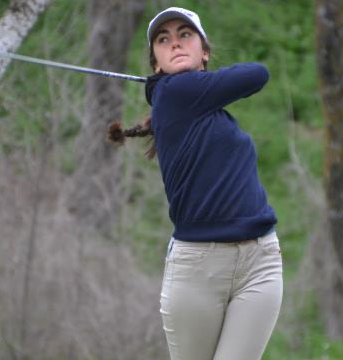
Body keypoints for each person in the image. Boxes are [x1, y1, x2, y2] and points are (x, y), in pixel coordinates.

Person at [108, 7, 283, 360]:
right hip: (199, 270)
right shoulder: (174, 93)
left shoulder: (200, 107)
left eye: (185, 35)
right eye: (163, 39)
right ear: (156, 63)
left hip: (260, 261)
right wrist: (180, 80)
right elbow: (256, 74)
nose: (174, 43)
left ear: (204, 51)